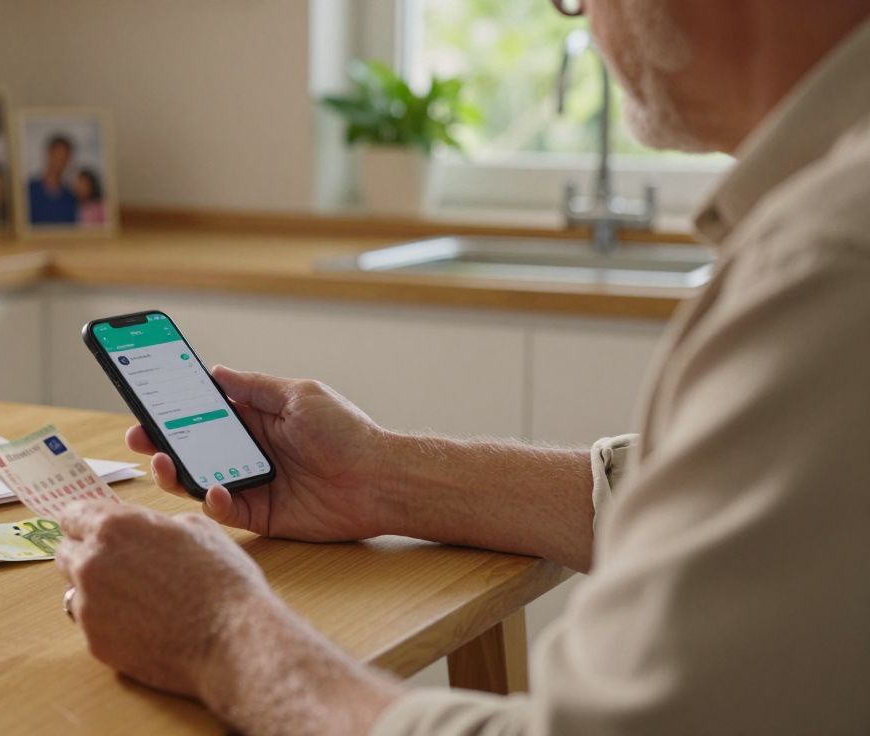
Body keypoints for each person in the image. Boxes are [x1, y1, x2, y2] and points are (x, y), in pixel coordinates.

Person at [53, 2, 870, 735]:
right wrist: (378, 475)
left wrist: (218, 634)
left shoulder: (832, 261)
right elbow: (728, 505)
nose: (582, 19)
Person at [26, 134, 77, 224]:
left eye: (64, 158)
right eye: (57, 156)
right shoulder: (29, 190)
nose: (60, 162)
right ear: (49, 154)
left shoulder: (71, 197)